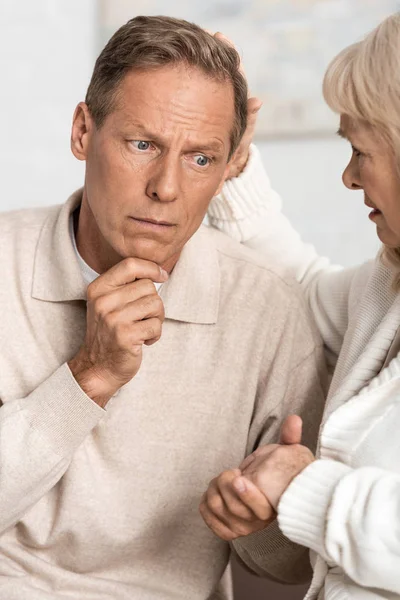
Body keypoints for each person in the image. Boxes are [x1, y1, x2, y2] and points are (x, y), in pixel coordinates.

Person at [0, 15, 327, 600]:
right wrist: (88, 377)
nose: (166, 188)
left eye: (200, 158)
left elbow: (294, 566)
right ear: (82, 131)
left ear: (230, 167)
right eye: (143, 144)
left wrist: (260, 522)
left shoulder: (269, 307)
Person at [202, 11, 400, 600]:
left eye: (361, 151)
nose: (347, 176)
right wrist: (234, 168)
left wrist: (306, 487)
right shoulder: (386, 287)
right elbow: (298, 291)